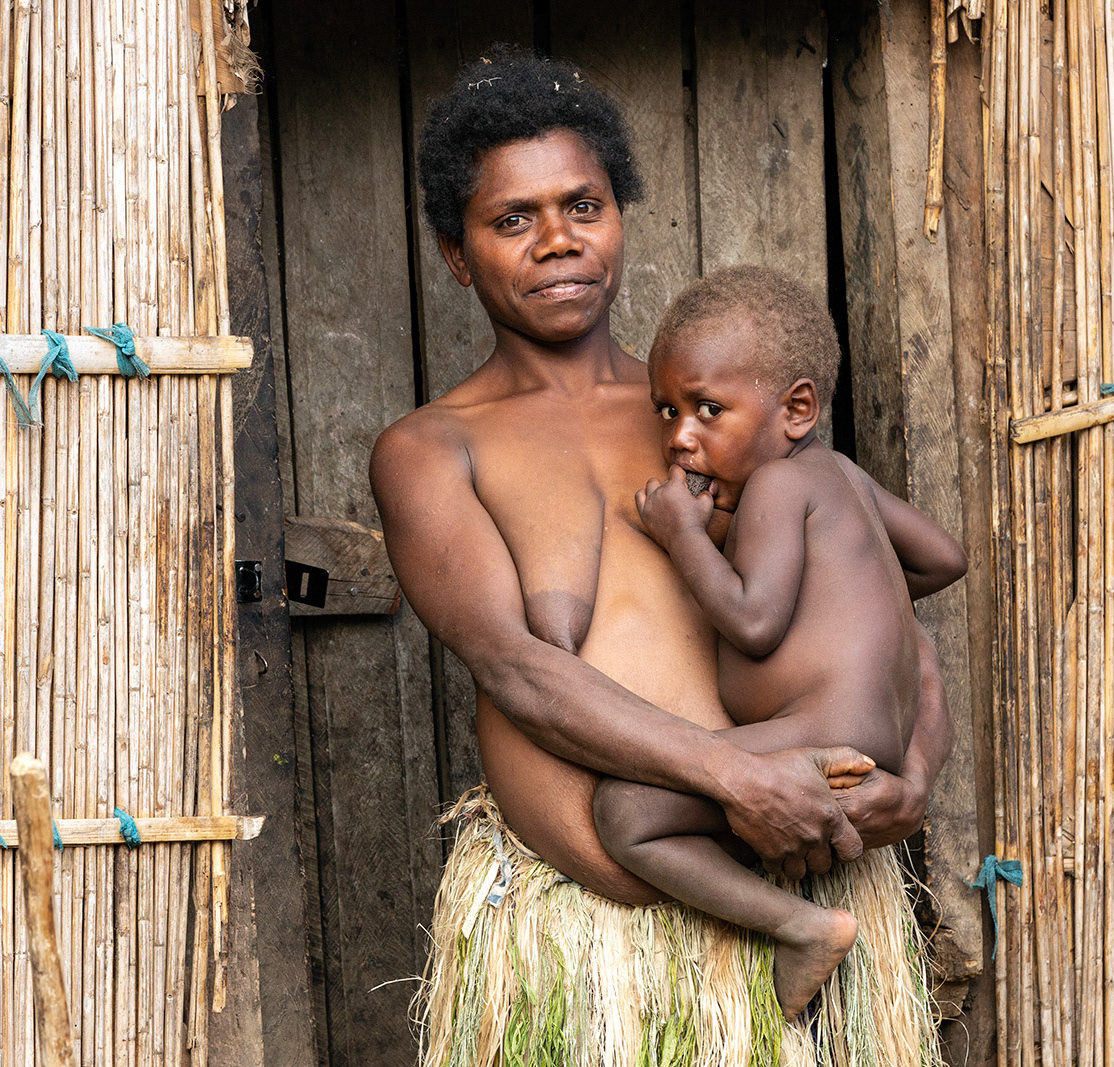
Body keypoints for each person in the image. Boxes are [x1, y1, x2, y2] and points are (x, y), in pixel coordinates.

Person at [371, 46, 952, 1067]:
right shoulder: (432, 450)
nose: (557, 241)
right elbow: (518, 667)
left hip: (795, 902)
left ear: (619, 217)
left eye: (582, 206)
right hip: (581, 952)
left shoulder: (717, 416)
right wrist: (732, 775)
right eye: (513, 219)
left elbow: (883, 607)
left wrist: (920, 768)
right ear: (455, 254)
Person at [593, 266, 967, 1019]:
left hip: (823, 738)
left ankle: (801, 926)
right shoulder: (841, 478)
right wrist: (851, 599)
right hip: (876, 745)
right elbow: (942, 556)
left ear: (797, 408)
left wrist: (681, 536)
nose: (679, 438)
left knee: (624, 815)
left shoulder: (774, 487)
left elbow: (751, 619)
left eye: (707, 409)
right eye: (667, 411)